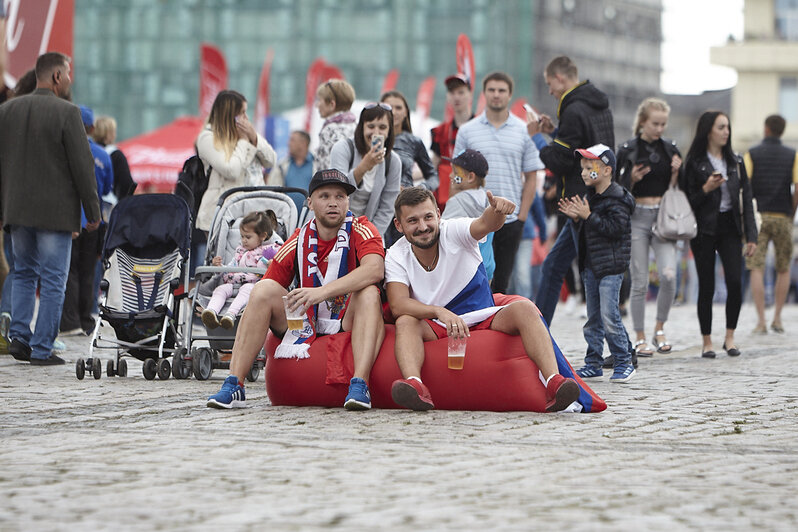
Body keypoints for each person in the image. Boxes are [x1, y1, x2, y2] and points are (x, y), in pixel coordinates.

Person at [385, 187, 581, 412]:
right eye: (412, 221)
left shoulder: (453, 230)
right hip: (436, 324)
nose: (422, 226)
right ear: (399, 226)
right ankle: (415, 385)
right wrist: (438, 312)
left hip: (481, 315)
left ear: (438, 215)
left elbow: (485, 224)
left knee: (526, 308)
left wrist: (497, 211)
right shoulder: (395, 255)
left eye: (428, 217)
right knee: (405, 321)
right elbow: (398, 304)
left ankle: (554, 381)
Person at [206, 169, 386, 411]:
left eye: (340, 196)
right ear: (310, 203)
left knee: (369, 292)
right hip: (306, 319)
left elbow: (375, 269)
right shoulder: (299, 237)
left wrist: (322, 292)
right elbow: (270, 284)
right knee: (262, 290)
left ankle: (360, 383)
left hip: (347, 316)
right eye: (324, 196)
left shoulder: (362, 227)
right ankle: (234, 384)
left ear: (348, 201)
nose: (333, 203)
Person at [0, 52, 101, 365]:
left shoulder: (7, 110)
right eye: (68, 73)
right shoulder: (68, 113)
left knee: (23, 273)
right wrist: (93, 212)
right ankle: (42, 349)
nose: (70, 79)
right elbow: (83, 168)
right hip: (54, 214)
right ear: (57, 76)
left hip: (16, 210)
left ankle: (19, 336)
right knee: (54, 279)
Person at [528, 56, 615, 325]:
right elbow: (581, 149)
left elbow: (561, 161)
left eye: (549, 84)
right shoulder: (596, 105)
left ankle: (621, 352)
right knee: (558, 267)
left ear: (560, 78)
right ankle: (538, 332)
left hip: (580, 204)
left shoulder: (574, 109)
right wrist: (555, 133)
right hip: (592, 197)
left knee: (591, 274)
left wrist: (536, 138)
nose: (550, 90)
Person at [455, 71, 544, 294]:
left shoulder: (525, 131)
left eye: (501, 90)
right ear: (484, 94)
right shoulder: (467, 130)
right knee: (474, 277)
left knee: (503, 281)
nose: (496, 95)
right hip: (475, 217)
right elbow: (457, 176)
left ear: (510, 95)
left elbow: (532, 176)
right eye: (491, 90)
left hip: (511, 218)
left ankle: (502, 327)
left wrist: (522, 216)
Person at [683, 111, 757, 358]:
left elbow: (746, 198)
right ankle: (707, 341)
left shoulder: (735, 161)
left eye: (728, 127)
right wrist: (706, 188)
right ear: (708, 131)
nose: (726, 132)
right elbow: (688, 201)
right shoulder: (694, 162)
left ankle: (730, 337)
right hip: (703, 227)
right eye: (721, 127)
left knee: (735, 282)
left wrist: (752, 237)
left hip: (730, 227)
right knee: (707, 285)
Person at [559, 145, 635, 382]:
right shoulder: (590, 198)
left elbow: (616, 229)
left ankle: (624, 360)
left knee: (609, 314)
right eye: (582, 167)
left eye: (588, 168)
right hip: (591, 266)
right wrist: (577, 220)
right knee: (593, 317)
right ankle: (593, 362)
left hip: (611, 268)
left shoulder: (618, 198)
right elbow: (590, 231)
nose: (582, 173)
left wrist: (588, 216)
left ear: (606, 170)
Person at [615, 98, 683, 357]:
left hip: (663, 218)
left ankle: (660, 328)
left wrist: (677, 172)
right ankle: (640, 336)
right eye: (655, 123)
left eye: (663, 124)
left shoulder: (670, 149)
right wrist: (629, 179)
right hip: (638, 218)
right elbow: (617, 189)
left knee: (669, 275)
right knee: (640, 280)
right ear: (643, 122)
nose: (660, 128)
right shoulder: (628, 149)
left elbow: (677, 189)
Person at [59, 105, 113, 336]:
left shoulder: (63, 152)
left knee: (68, 271)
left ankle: (69, 320)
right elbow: (108, 187)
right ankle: (85, 319)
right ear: (92, 127)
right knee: (88, 271)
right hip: (93, 220)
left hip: (68, 218)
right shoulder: (102, 155)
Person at [744, 114, 798, 334]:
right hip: (782, 215)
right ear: (782, 131)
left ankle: (761, 321)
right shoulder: (793, 155)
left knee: (756, 266)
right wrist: (791, 212)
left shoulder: (752, 154)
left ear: (766, 129)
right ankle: (777, 317)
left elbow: (745, 186)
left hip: (757, 217)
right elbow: (797, 186)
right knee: (783, 267)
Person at [195, 90, 276, 232]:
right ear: (229, 115)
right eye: (242, 113)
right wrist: (244, 142)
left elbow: (271, 161)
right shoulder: (208, 137)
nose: (246, 118)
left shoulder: (246, 134)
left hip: (255, 210)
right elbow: (231, 170)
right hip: (224, 215)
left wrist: (254, 138)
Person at [330, 102, 401, 237]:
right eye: (370, 126)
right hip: (334, 229)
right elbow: (337, 190)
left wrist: (369, 236)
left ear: (389, 131)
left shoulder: (393, 161)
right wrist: (364, 166)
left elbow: (387, 206)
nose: (376, 132)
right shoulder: (343, 148)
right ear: (361, 127)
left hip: (368, 233)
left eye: (382, 127)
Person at [201, 211, 281, 330]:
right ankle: (211, 312)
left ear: (263, 236)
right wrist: (219, 267)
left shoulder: (267, 251)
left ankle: (230, 315)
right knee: (220, 289)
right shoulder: (240, 251)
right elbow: (231, 266)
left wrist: (271, 265)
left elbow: (277, 270)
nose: (244, 240)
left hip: (252, 285)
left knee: (246, 290)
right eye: (242, 236)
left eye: (248, 237)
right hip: (233, 283)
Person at [380, 90, 438, 246]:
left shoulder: (413, 141)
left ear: (406, 112)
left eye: (398, 107)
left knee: (407, 255)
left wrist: (420, 189)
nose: (394, 112)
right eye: (389, 107)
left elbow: (433, 176)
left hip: (407, 208)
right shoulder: (372, 138)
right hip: (377, 207)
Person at [441, 149, 495, 281]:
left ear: (471, 177)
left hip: (465, 271)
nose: (450, 176)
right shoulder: (488, 200)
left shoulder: (457, 202)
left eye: (455, 172)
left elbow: (443, 235)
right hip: (487, 267)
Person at [430, 74, 474, 211]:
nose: (456, 97)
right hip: (446, 199)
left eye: (461, 92)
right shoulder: (440, 132)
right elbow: (432, 165)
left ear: (469, 95)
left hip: (474, 197)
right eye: (452, 92)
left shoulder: (482, 128)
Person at [314, 79, 356, 173]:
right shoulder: (356, 126)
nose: (317, 105)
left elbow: (325, 168)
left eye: (319, 100)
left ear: (332, 104)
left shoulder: (330, 130)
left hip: (333, 185)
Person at [268, 130, 315, 214]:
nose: (288, 143)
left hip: (311, 217)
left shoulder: (317, 165)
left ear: (303, 143)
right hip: (286, 217)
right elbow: (271, 192)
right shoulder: (281, 165)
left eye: (292, 140)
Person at [92, 115, 137, 201]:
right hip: (109, 203)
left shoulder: (88, 151)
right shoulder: (116, 155)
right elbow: (126, 183)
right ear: (110, 134)